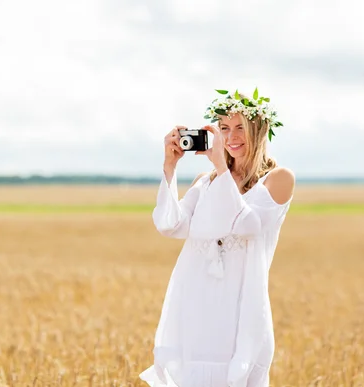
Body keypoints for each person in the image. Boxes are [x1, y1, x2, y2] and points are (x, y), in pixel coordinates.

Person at [139, 89, 295, 387]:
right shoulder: (205, 181)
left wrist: (221, 167)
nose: (231, 137)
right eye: (224, 128)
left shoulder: (278, 178)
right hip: (196, 296)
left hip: (240, 301)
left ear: (260, 131)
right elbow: (171, 225)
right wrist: (169, 167)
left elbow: (246, 225)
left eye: (240, 128)